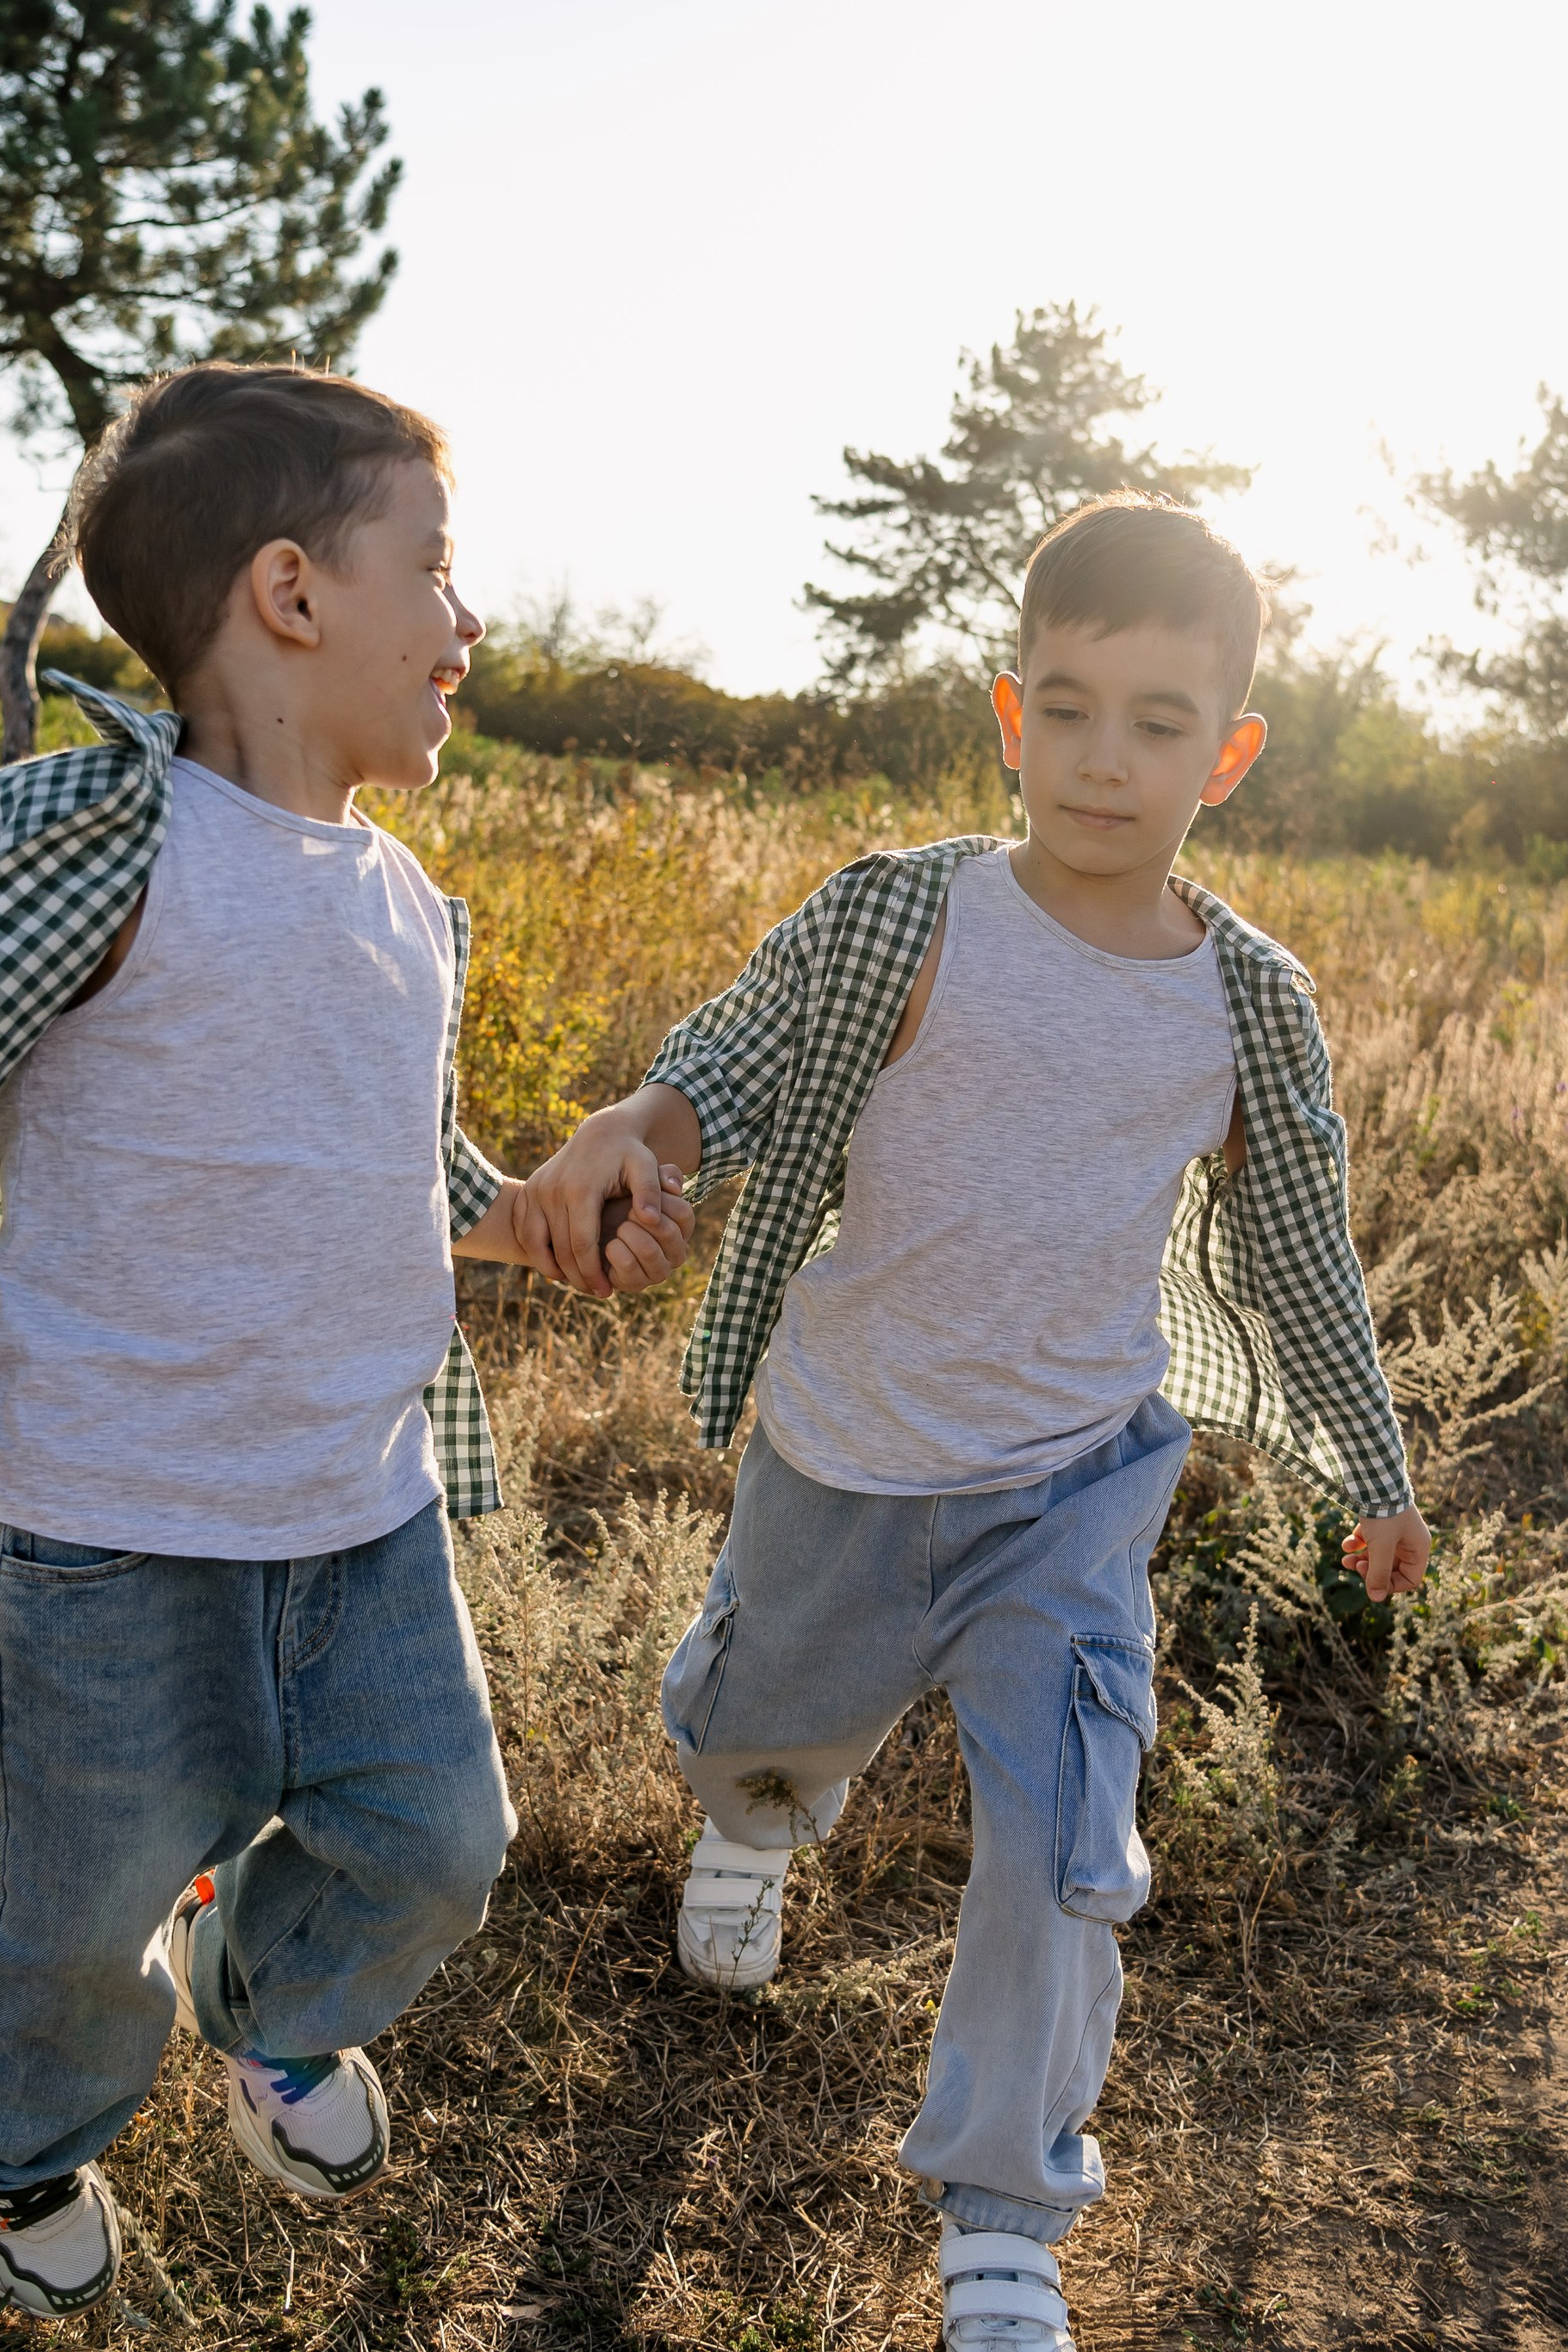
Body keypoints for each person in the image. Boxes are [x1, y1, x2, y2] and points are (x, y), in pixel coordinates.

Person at [522, 495, 1431, 2352]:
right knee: (771, 1723)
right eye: (1068, 709)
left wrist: (1374, 1463)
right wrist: (638, 1129)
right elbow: (732, 1064)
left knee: (1068, 1843)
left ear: (1229, 754)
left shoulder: (1247, 1004)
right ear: (1013, 715)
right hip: (848, 1454)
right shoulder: (905, 915)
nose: (1104, 760)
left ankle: (1007, 2216)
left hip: (1076, 1487)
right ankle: (753, 1817)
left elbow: (1297, 1250)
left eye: (1159, 724)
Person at [0, 361, 693, 2321]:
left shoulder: (408, 904)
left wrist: (535, 1213)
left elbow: (403, 1166)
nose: (471, 618)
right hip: (109, 1530)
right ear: (292, 592)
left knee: (438, 1840)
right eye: (437, 567)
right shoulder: (110, 834)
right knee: (62, 1917)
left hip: (359, 1511)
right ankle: (26, 2138)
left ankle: (269, 2000)